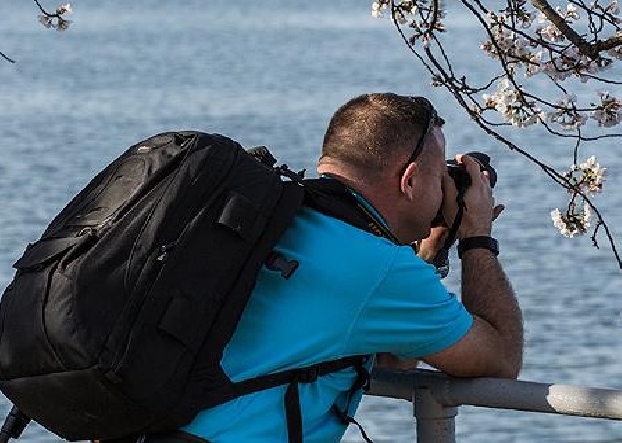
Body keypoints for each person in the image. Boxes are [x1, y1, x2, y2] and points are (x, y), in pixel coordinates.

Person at [177, 92, 524, 442]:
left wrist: (433, 247)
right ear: (410, 180)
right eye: (438, 181)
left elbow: (393, 358)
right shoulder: (379, 267)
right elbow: (501, 360)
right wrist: (476, 237)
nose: (442, 194)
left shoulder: (275, 219)